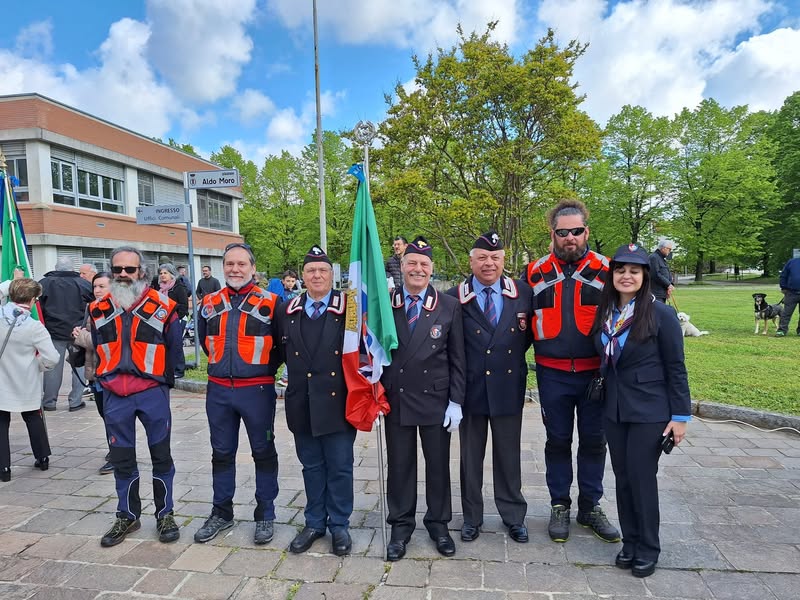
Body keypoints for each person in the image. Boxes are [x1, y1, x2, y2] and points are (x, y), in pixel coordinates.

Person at [523, 199, 620, 544]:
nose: (570, 238)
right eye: (562, 232)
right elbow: (519, 324)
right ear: (553, 234)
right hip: (552, 375)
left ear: (586, 231)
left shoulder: (609, 271)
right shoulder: (533, 272)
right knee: (558, 440)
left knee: (595, 441)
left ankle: (590, 506)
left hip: (596, 375)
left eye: (576, 231)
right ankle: (559, 504)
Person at [592, 243, 691, 578]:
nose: (626, 276)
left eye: (634, 271)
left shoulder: (659, 313)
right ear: (613, 275)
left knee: (642, 478)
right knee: (623, 479)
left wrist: (680, 417)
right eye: (620, 270)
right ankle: (630, 542)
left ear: (645, 276)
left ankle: (649, 547)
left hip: (650, 411)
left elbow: (676, 367)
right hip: (615, 409)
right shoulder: (605, 311)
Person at [90, 246, 183, 547]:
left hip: (152, 392)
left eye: (130, 269)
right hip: (115, 394)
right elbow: (96, 347)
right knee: (122, 459)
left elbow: (174, 350)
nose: (123, 275)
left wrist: (165, 382)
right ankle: (127, 515)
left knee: (161, 456)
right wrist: (103, 379)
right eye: (117, 269)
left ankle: (165, 513)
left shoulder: (164, 306)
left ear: (142, 272)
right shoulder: (98, 308)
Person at [381, 236, 466, 561]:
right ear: (401, 267)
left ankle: (438, 524)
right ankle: (400, 527)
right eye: (412, 263)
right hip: (397, 399)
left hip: (436, 399)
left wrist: (456, 400)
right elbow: (374, 351)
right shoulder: (386, 304)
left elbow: (459, 358)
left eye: (424, 265)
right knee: (400, 467)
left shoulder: (449, 306)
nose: (418, 269)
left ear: (432, 270)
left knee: (438, 466)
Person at [194, 243, 281, 546]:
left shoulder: (272, 302)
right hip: (218, 391)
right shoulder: (209, 301)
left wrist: (257, 370)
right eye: (230, 263)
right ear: (223, 267)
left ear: (253, 268)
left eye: (241, 264)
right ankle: (222, 511)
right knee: (221, 452)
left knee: (264, 452)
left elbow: (280, 347)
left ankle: (266, 514)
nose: (235, 269)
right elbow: (206, 342)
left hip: (257, 390)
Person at [447, 232, 531, 544]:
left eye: (495, 257)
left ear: (503, 261)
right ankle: (472, 517)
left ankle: (513, 516)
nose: (489, 263)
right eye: (482, 257)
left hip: (508, 385)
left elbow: (528, 336)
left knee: (509, 456)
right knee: (470, 458)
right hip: (471, 389)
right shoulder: (455, 296)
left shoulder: (522, 292)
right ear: (471, 261)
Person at [274, 245, 356, 556]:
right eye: (311, 270)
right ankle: (314, 522)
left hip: (338, 403)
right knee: (311, 466)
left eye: (323, 270)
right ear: (302, 277)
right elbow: (280, 353)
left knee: (340, 467)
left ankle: (339, 525)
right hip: (302, 402)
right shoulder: (288, 309)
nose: (317, 275)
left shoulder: (350, 308)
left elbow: (362, 351)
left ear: (332, 275)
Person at [0, 279, 59, 482]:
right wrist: (39, 365)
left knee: (0, 423)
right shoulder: (34, 327)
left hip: (1, 380)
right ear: (33, 300)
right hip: (26, 379)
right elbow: (53, 357)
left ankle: (4, 468)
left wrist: (9, 283)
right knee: (33, 417)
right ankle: (42, 458)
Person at [72, 271, 115, 474]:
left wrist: (81, 337)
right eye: (95, 286)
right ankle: (114, 448)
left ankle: (118, 454)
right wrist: (79, 334)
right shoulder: (91, 307)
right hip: (96, 371)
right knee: (104, 414)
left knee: (112, 415)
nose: (97, 290)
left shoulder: (117, 310)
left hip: (112, 372)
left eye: (102, 286)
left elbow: (105, 342)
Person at [39, 257, 94, 412]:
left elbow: (38, 307)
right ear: (72, 269)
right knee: (79, 365)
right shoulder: (83, 284)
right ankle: (75, 401)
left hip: (53, 332)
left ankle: (49, 402)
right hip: (77, 332)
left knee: (53, 367)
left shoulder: (44, 283)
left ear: (56, 267)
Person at [157, 263, 189, 378]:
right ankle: (169, 369)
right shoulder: (160, 289)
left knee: (177, 345)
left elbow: (184, 305)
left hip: (178, 320)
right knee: (166, 345)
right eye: (161, 273)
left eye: (165, 273)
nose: (162, 275)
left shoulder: (178, 287)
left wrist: (176, 318)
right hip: (164, 321)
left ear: (171, 275)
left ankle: (179, 370)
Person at [776, 255, 800, 337]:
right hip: (791, 292)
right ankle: (782, 330)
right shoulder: (792, 262)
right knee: (786, 313)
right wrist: (783, 287)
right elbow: (783, 275)